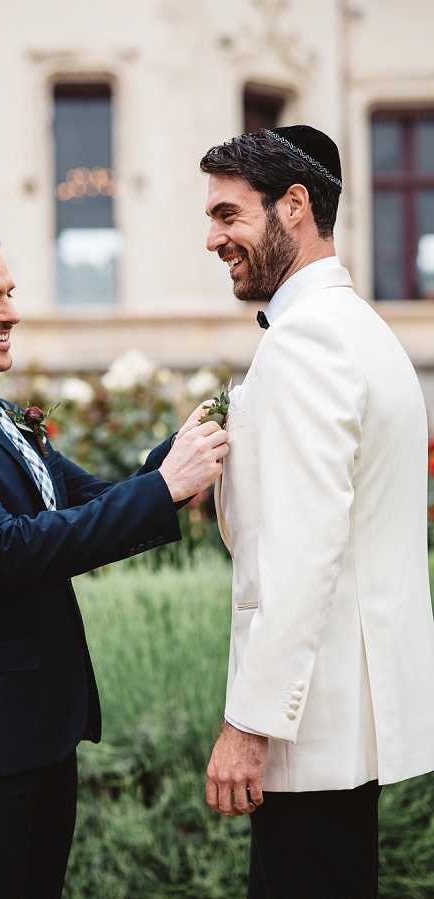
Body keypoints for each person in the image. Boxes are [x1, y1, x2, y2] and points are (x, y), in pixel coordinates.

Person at [0, 205, 228, 899]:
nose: (12, 313)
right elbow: (9, 549)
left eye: (11, 292)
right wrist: (164, 488)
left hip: (37, 738)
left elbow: (88, 504)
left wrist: (177, 460)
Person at [200, 126, 434, 899]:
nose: (214, 239)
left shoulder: (305, 344)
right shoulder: (361, 330)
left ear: (293, 207)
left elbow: (303, 552)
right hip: (344, 720)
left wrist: (247, 722)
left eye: (229, 214)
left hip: (309, 728)